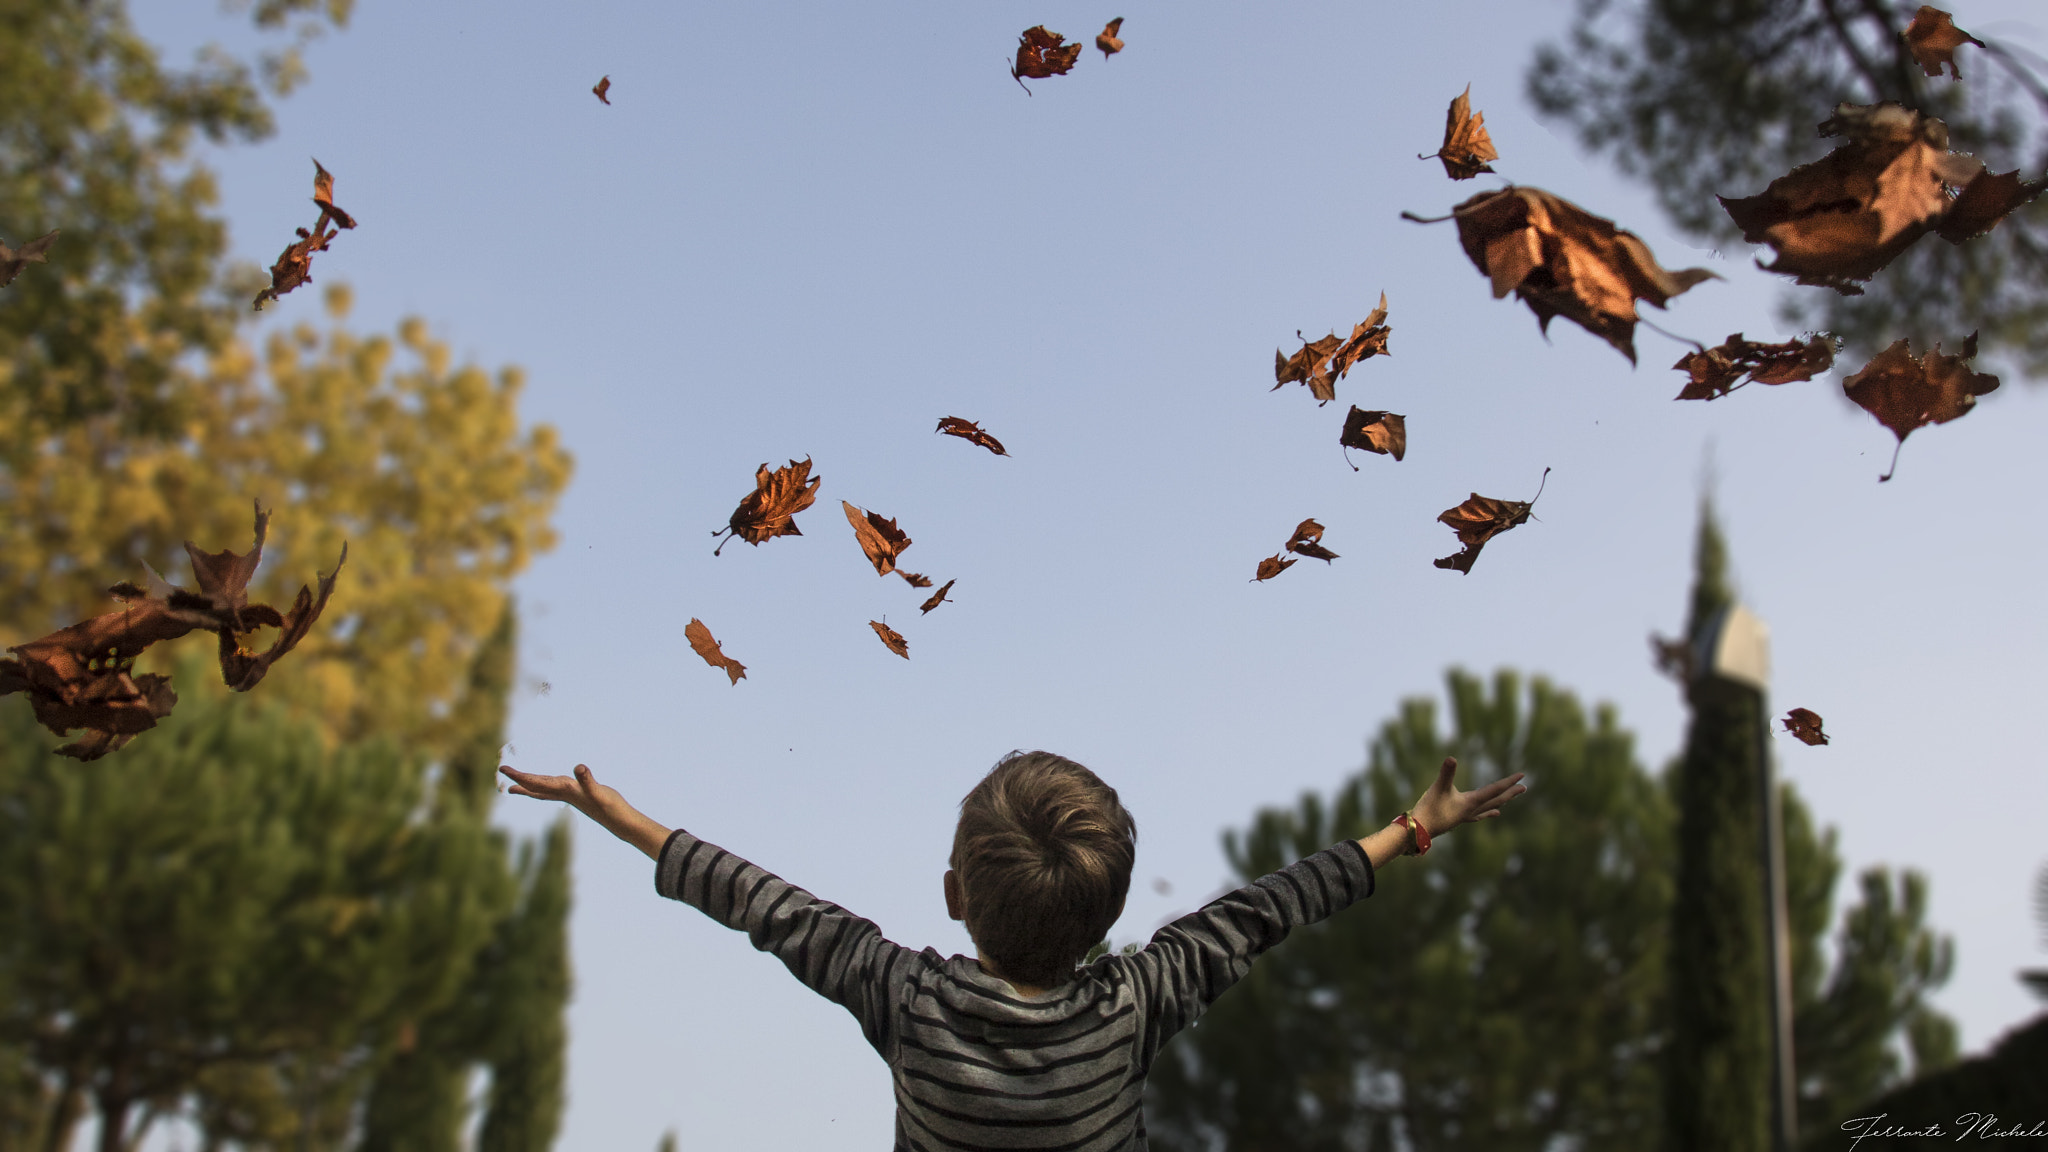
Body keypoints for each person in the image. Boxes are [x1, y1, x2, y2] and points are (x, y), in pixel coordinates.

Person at [500, 748, 1525, 1150]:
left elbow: (766, 907)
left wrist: (627, 823)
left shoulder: (905, 1002)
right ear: (1108, 916)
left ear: (953, 897)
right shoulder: (1134, 1006)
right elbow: (1269, 907)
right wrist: (1411, 828)